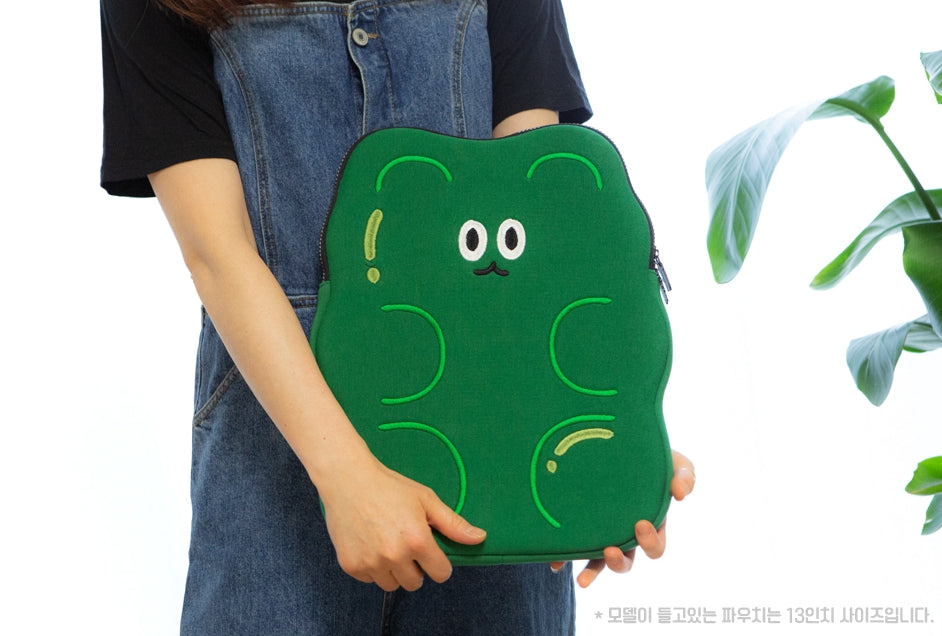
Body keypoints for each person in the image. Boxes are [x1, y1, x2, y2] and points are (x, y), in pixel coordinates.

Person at [99, 0, 696, 633]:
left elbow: (528, 238)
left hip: (487, 448)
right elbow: (217, 253)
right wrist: (345, 477)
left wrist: (603, 452)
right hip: (275, 448)